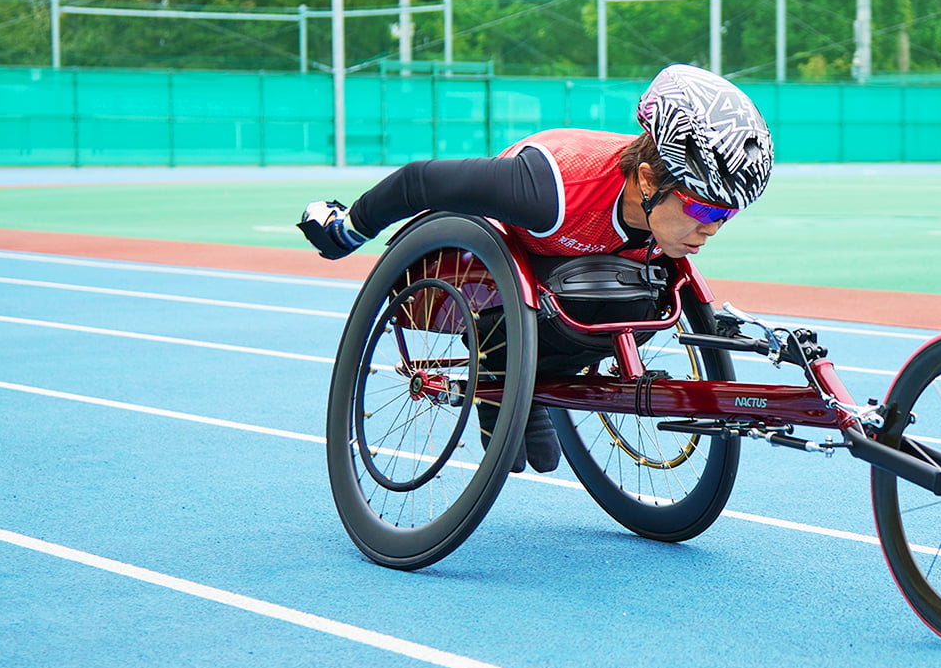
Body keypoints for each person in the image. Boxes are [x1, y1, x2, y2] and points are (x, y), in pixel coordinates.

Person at [298, 63, 774, 474]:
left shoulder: (664, 212)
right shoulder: (544, 191)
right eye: (707, 210)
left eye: (728, 214)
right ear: (648, 179)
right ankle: (499, 360)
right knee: (577, 311)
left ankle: (533, 379)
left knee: (646, 300)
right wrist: (350, 229)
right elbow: (419, 180)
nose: (714, 226)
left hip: (579, 271)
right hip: (493, 268)